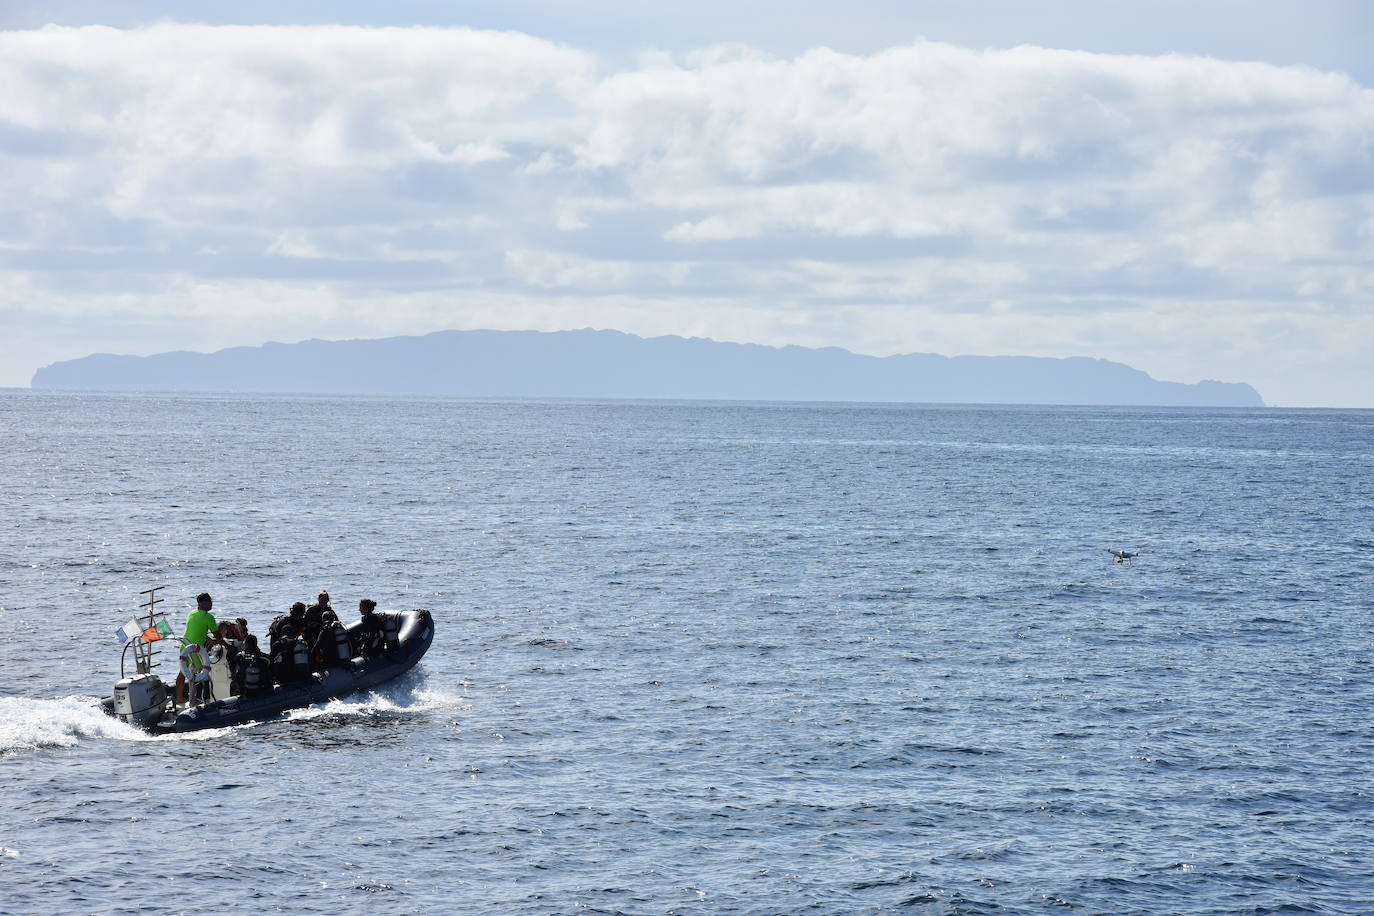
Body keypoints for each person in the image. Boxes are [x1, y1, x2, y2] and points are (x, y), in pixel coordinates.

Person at [175, 593, 218, 705]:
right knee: (201, 673)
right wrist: (228, 646)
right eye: (209, 602)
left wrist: (211, 641)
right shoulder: (208, 617)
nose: (211, 604)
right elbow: (218, 635)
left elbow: (199, 630)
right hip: (194, 649)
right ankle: (196, 699)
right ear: (202, 603)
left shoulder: (192, 613)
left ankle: (179, 697)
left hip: (184, 646)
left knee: (182, 672)